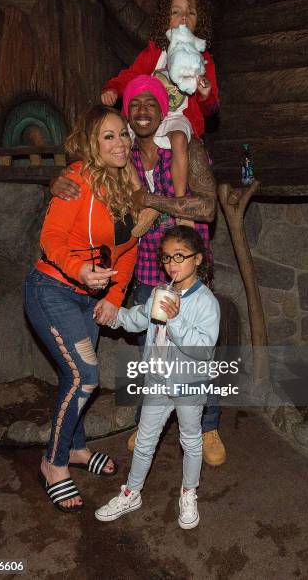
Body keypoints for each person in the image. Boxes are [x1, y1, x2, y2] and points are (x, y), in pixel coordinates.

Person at [51, 77, 226, 467]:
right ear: (127, 115)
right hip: (146, 269)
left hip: (188, 271)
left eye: (152, 103)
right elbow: (85, 175)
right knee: (155, 352)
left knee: (196, 350)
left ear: (164, 109)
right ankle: (152, 418)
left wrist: (150, 199)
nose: (143, 110)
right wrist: (58, 180)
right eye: (135, 104)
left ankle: (207, 423)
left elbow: (209, 208)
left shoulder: (187, 150)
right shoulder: (121, 157)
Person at [23, 105, 138, 513]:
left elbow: (129, 248)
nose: (120, 142)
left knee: (75, 378)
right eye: (109, 136)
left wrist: (114, 295)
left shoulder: (128, 184)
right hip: (51, 289)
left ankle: (76, 450)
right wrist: (77, 268)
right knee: (85, 375)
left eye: (123, 133)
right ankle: (52, 463)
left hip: (90, 298)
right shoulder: (75, 180)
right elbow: (51, 236)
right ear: (92, 142)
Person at [95, 225, 220, 529]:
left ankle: (189, 492)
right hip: (158, 380)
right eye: (166, 258)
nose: (172, 264)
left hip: (188, 385)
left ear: (198, 259)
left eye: (180, 256)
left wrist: (175, 320)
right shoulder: (158, 292)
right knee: (145, 439)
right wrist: (113, 316)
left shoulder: (206, 302)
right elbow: (138, 319)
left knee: (190, 441)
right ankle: (132, 492)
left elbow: (203, 350)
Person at [101, 0, 219, 234]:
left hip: (179, 118)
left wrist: (205, 94)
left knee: (178, 140)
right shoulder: (156, 52)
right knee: (122, 144)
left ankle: (178, 206)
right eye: (175, 12)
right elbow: (130, 75)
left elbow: (212, 109)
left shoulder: (203, 59)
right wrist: (113, 88)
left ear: (201, 20)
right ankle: (142, 200)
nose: (183, 18)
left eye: (191, 12)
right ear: (165, 18)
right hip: (150, 119)